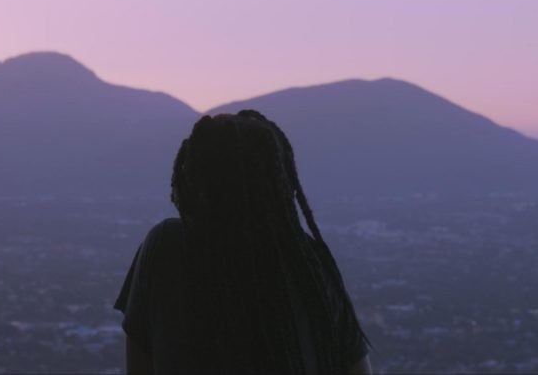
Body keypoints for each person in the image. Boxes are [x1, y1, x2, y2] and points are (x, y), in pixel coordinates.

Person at [114, 109, 372, 374]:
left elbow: (139, 365)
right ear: (281, 180)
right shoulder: (310, 265)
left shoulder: (167, 247)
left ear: (195, 176)